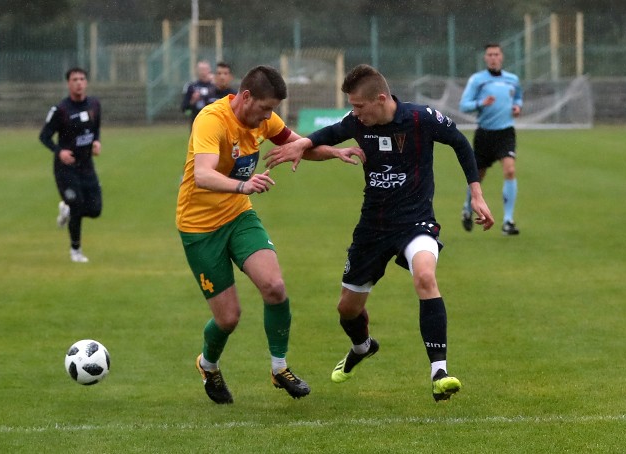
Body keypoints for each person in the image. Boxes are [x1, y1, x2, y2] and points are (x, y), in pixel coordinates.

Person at [264, 64, 494, 402]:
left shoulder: (420, 119)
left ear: (381, 99)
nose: (354, 113)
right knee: (348, 309)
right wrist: (303, 144)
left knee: (426, 277)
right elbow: (329, 134)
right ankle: (362, 346)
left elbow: (460, 143)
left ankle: (439, 372)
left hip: (415, 222)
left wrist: (476, 192)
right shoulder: (358, 123)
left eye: (358, 106)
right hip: (372, 228)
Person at [176, 65, 364, 404]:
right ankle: (208, 364)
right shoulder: (211, 120)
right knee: (229, 318)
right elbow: (202, 175)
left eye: (273, 110)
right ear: (245, 97)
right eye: (265, 108)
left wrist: (334, 152)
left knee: (274, 287)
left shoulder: (265, 120)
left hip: (238, 217)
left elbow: (300, 146)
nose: (269, 116)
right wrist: (243, 184)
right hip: (199, 228)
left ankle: (280, 369)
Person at [39, 67, 102, 263]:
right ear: (68, 83)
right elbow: (44, 136)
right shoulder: (61, 110)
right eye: (75, 79)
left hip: (86, 165)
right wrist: (60, 152)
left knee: (95, 210)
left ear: (86, 82)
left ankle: (66, 209)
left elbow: (96, 127)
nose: (79, 83)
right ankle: (76, 251)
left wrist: (96, 142)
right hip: (66, 168)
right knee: (77, 206)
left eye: (82, 79)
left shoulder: (94, 104)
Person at [459, 43, 523, 235]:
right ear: (485, 58)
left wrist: (517, 107)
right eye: (490, 54)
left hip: (505, 133)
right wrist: (481, 103)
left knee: (510, 170)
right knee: (477, 177)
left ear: (501, 57)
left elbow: (518, 98)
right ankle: (467, 208)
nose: (493, 57)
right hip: (485, 134)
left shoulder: (512, 79)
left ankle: (508, 221)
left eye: (496, 54)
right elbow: (464, 105)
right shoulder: (478, 80)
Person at [181, 60, 216, 126]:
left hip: (212, 121)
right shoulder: (191, 87)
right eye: (201, 69)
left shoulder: (215, 86)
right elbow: (185, 109)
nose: (203, 72)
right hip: (196, 121)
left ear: (209, 70)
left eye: (205, 69)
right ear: (197, 71)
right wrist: (193, 101)